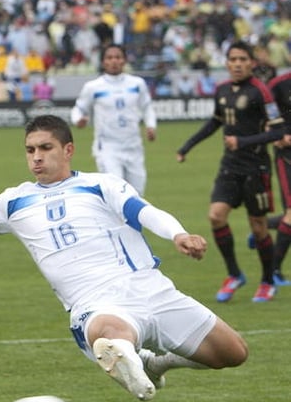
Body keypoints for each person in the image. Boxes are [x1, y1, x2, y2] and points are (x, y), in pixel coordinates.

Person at [0, 115, 248, 402]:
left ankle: (155, 362)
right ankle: (125, 354)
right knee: (112, 337)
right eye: (30, 150)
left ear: (68, 150)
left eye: (45, 148)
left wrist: (178, 234)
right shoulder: (12, 201)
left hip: (151, 289)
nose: (36, 157)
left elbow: (143, 211)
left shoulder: (101, 184)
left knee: (233, 353)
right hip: (95, 303)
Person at [176, 40, 286, 303]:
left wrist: (243, 142)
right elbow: (215, 121)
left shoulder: (261, 92)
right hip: (230, 166)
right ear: (226, 63)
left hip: (256, 168)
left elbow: (279, 130)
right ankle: (235, 274)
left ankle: (268, 280)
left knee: (259, 227)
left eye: (242, 59)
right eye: (232, 59)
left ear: (251, 63)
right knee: (216, 216)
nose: (237, 64)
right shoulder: (222, 89)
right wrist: (187, 146)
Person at [70, 44, 157, 196]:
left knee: (137, 197)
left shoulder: (137, 84)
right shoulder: (94, 87)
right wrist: (78, 120)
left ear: (124, 60)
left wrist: (151, 125)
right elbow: (79, 108)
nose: (114, 61)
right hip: (108, 148)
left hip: (134, 147)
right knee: (117, 193)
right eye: (109, 58)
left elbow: (147, 107)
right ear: (103, 62)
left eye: (118, 57)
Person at [264, 71, 291, 286]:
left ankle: (261, 227)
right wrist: (277, 135)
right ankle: (273, 272)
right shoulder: (278, 85)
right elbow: (265, 117)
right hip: (288, 157)